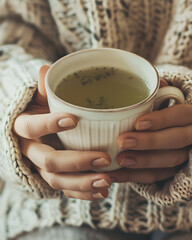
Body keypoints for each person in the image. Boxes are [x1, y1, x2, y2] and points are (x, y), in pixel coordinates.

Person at [0, 0, 192, 239]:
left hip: (185, 211)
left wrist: (185, 103)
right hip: (53, 209)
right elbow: (8, 33)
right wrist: (17, 104)